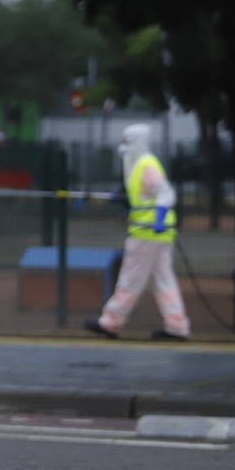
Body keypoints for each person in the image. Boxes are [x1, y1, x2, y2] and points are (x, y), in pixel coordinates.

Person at [86, 123, 191, 341]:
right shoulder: (138, 164)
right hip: (157, 233)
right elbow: (143, 196)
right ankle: (177, 326)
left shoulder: (146, 164)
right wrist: (123, 196)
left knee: (130, 279)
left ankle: (110, 322)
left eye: (126, 141)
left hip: (147, 232)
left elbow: (165, 194)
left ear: (136, 142)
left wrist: (159, 219)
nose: (123, 146)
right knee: (164, 281)